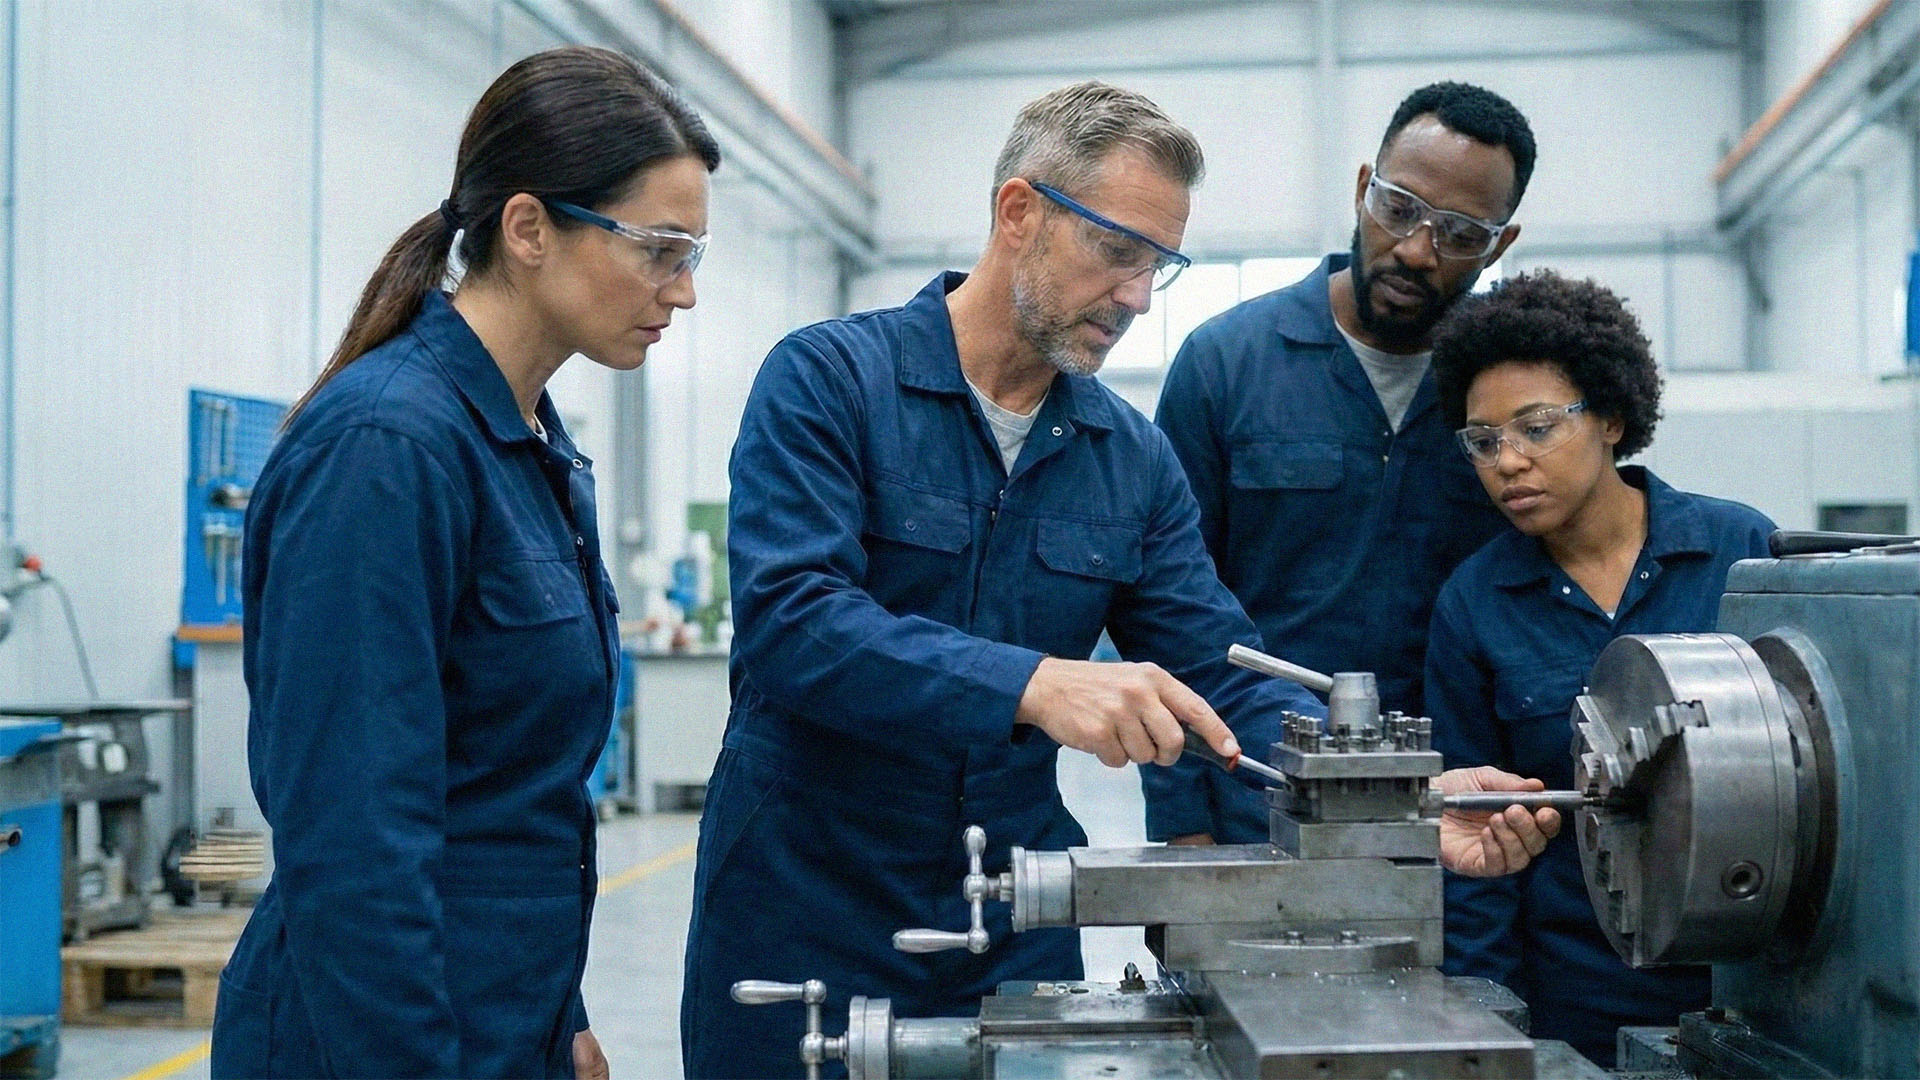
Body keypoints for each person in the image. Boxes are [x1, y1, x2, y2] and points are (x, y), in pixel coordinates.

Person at [682, 80, 1560, 1080]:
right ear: (1020, 213)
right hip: (803, 904)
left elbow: (1218, 671)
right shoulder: (830, 382)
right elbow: (796, 627)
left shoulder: (1127, 458)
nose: (1139, 297)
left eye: (1160, 265)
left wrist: (1394, 792)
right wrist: (1035, 684)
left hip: (1012, 916)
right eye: (1117, 251)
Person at [209, 46, 718, 1079]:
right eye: (662, 249)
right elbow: (355, 843)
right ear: (529, 228)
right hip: (375, 1038)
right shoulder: (388, 449)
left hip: (501, 1015)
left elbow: (512, 793)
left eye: (693, 255)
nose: (685, 291)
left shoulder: (530, 444)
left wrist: (556, 1013)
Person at [1148, 82, 1531, 846]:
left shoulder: (1513, 392)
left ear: (1501, 245)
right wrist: (1184, 832)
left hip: (1455, 819)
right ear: (1363, 190)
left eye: (1459, 233)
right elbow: (1166, 615)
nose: (1418, 249)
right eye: (1399, 209)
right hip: (1253, 806)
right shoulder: (1227, 366)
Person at [1423, 269, 1776, 1065]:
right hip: (1573, 999)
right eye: (1483, 441)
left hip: (1752, 992)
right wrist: (1491, 1028)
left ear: (1612, 417)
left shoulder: (1741, 554)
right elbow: (1471, 848)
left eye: (1537, 428)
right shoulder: (1476, 604)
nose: (1507, 462)